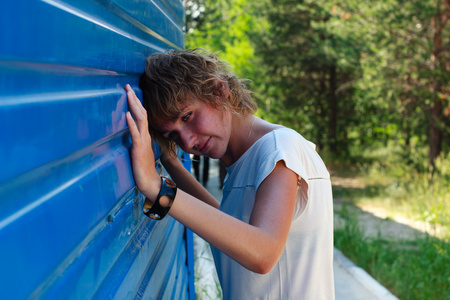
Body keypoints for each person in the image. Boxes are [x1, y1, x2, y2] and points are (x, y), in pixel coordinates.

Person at [125, 49, 334, 299]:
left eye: (188, 116)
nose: (188, 141)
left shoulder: (279, 151)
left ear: (218, 91)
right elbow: (225, 223)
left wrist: (158, 191)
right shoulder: (250, 159)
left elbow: (263, 253)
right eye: (173, 135)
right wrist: (169, 162)